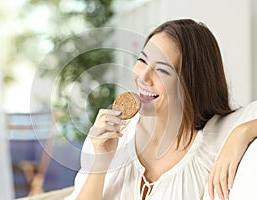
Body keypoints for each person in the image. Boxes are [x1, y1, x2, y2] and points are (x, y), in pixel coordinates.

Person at [65, 19, 257, 200]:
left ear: (192, 84)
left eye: (162, 70)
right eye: (142, 60)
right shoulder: (109, 135)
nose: (143, 77)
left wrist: (242, 132)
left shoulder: (221, 132)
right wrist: (100, 163)